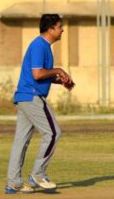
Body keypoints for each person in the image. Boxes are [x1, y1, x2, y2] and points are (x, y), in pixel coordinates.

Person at [5, 14, 75, 194]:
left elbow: (41, 75)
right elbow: (37, 74)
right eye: (60, 27)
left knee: (21, 141)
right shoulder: (39, 45)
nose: (62, 30)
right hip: (32, 96)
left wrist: (60, 81)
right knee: (53, 133)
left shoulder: (44, 47)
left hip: (25, 96)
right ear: (50, 29)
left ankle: (13, 182)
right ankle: (38, 173)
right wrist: (58, 70)